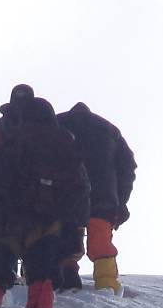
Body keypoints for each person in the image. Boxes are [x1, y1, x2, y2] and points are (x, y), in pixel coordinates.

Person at [0, 89, 89, 308]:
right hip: (48, 221)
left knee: (0, 265)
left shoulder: (11, 141)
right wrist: (71, 222)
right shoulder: (64, 142)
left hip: (9, 219)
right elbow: (80, 187)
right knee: (43, 271)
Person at [55, 102, 136, 294]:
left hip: (66, 196)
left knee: (66, 236)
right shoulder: (109, 129)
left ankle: (67, 278)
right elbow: (128, 168)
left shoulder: (57, 123)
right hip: (103, 197)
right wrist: (120, 201)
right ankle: (107, 285)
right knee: (100, 241)